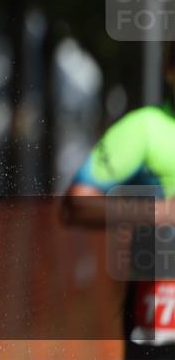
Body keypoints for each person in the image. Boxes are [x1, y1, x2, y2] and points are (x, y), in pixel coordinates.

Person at [62, 41, 175, 358]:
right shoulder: (145, 129)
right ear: (169, 70)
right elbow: (76, 204)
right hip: (162, 311)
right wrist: (158, 212)